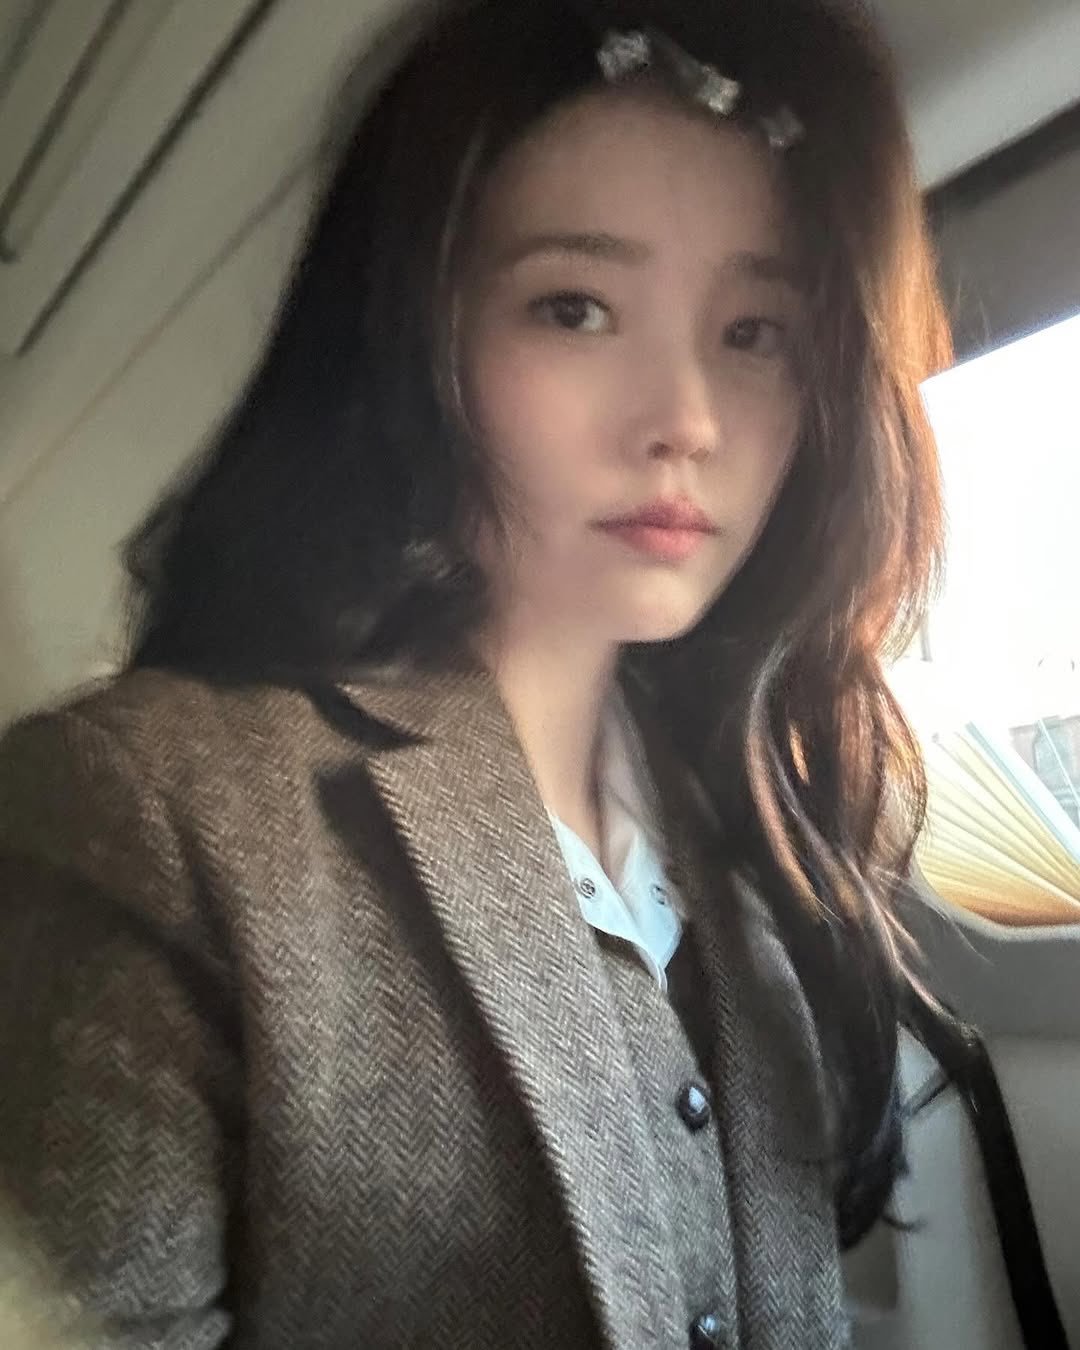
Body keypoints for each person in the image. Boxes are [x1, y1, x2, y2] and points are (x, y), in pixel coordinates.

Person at [0, 0, 951, 1344]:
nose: (686, 421)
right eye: (576, 308)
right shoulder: (151, 809)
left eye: (756, 332)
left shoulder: (752, 810)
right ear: (415, 343)